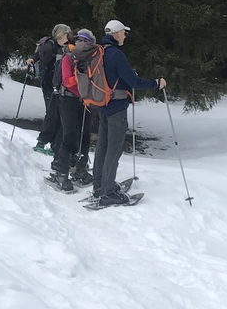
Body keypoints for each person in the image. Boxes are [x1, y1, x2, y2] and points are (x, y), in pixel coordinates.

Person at [91, 20, 166, 206]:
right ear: (117, 33)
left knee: (103, 145)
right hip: (116, 107)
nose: (125, 36)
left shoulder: (99, 51)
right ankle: (108, 192)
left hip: (102, 105)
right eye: (124, 32)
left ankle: (99, 186)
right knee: (114, 148)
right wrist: (156, 83)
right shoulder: (115, 54)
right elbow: (134, 82)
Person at [53, 29, 95, 188]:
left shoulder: (92, 59)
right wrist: (82, 78)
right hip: (68, 99)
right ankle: (61, 173)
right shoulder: (68, 57)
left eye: (85, 42)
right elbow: (67, 81)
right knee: (69, 136)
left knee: (85, 136)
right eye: (79, 41)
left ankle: (80, 170)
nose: (82, 45)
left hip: (85, 100)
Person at [31, 24, 70, 154]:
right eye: (67, 34)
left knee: (59, 114)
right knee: (52, 113)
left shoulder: (65, 47)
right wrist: (32, 60)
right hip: (49, 85)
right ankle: (42, 141)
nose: (69, 36)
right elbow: (39, 56)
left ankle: (54, 145)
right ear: (61, 34)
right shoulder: (49, 46)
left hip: (60, 85)